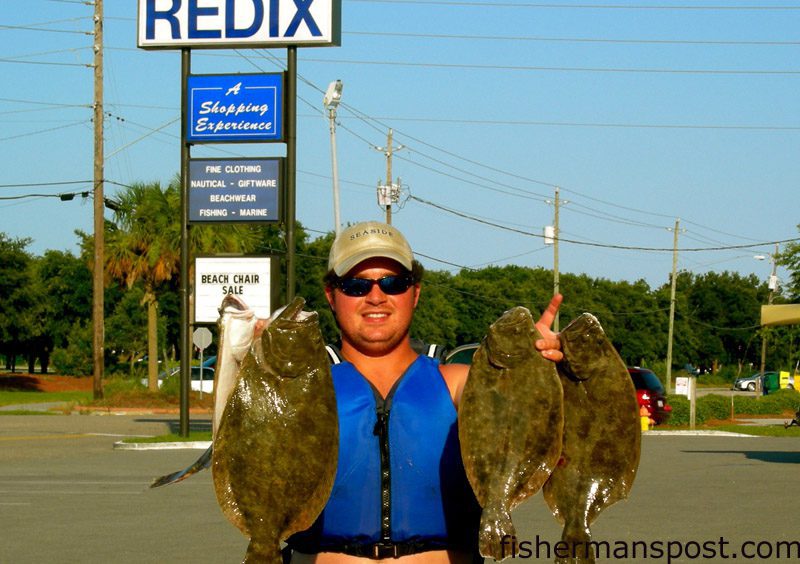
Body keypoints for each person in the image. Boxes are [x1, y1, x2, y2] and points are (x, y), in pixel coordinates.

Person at [286, 221, 563, 563]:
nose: (376, 296)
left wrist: (529, 366)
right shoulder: (297, 388)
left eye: (393, 283)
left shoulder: (460, 382)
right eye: (356, 285)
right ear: (331, 295)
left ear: (415, 293)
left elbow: (531, 427)